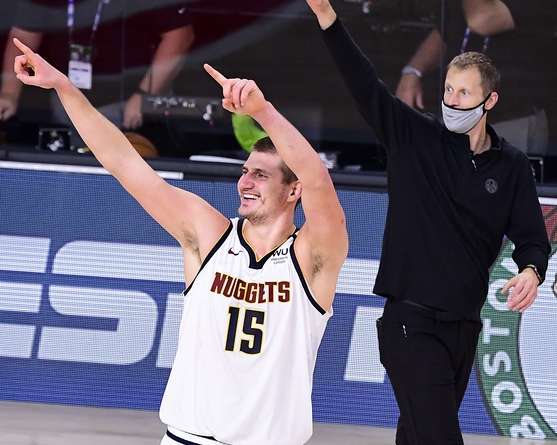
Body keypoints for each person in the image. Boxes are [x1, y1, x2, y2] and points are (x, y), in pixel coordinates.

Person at [11, 37, 348, 445]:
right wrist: (63, 86)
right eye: (245, 171)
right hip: (188, 438)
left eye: (261, 175)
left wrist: (263, 112)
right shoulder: (209, 236)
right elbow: (122, 161)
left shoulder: (312, 256)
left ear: (293, 191)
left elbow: (318, 179)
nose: (245, 182)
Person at [302, 0, 552, 443]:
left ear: (490, 100)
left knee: (418, 435)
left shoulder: (511, 165)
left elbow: (532, 237)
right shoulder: (413, 136)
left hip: (465, 326)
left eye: (464, 93)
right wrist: (327, 16)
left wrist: (532, 270)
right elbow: (364, 84)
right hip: (409, 324)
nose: (452, 101)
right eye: (448, 90)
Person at [0, 0, 194, 151]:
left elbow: (179, 36)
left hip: (129, 105)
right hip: (68, 102)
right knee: (75, 177)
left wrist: (144, 96)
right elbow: (24, 37)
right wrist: (9, 93)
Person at [395, 0, 557, 154]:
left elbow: (480, 20)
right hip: (457, 118)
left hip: (509, 122)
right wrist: (414, 71)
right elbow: (446, 32)